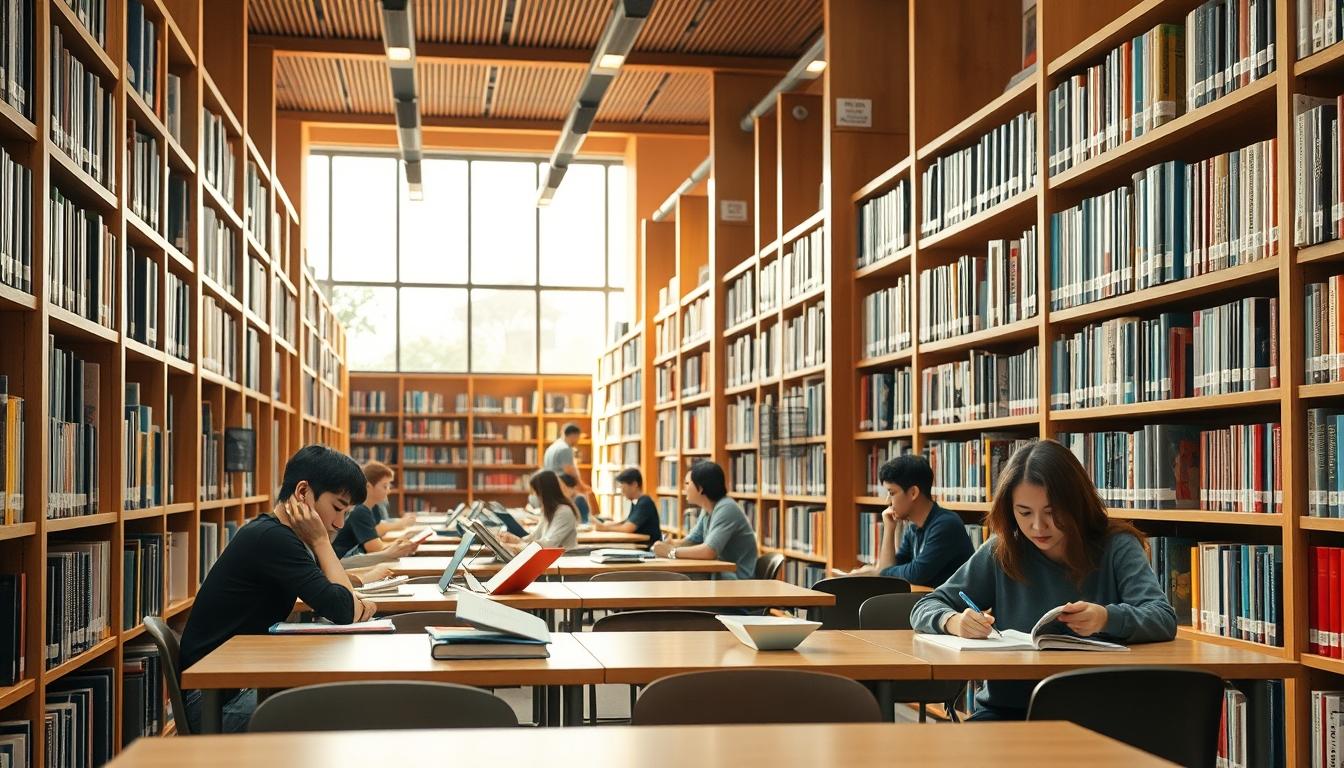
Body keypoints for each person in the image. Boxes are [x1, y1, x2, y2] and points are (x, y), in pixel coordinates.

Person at [910, 439, 1178, 720]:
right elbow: (925, 606)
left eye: (1052, 512)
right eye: (1024, 512)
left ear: (1076, 503)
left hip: (1097, 712)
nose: (1038, 526)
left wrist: (1106, 618)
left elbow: (1162, 617)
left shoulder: (1117, 546)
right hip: (1008, 711)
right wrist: (953, 621)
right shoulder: (1002, 550)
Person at [179, 445, 379, 733]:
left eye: (346, 513)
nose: (339, 523)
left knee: (342, 699)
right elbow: (345, 609)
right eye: (337, 508)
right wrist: (321, 541)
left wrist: (349, 600)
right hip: (214, 704)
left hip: (235, 686)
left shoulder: (278, 534)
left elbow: (341, 599)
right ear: (302, 492)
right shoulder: (273, 539)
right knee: (344, 709)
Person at [843, 455, 974, 587]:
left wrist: (879, 571)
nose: (888, 501)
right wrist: (889, 529)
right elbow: (891, 570)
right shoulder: (913, 528)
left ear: (913, 493)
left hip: (954, 601)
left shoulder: (946, 525)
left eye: (892, 493)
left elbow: (916, 574)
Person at [651, 461, 757, 580]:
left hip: (737, 577)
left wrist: (671, 552)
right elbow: (693, 540)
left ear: (700, 488)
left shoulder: (727, 508)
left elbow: (709, 551)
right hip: (718, 572)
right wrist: (671, 543)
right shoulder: (707, 509)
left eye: (687, 483)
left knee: (672, 577)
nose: (684, 488)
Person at [331, 461, 421, 558]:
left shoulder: (370, 508)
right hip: (343, 562)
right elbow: (376, 549)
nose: (389, 491)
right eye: (385, 486)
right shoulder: (359, 510)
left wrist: (403, 540)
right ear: (368, 486)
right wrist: (402, 543)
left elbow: (377, 540)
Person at [499, 470, 578, 552]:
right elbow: (535, 536)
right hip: (550, 556)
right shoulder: (549, 511)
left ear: (544, 493)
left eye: (534, 492)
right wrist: (516, 540)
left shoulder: (564, 512)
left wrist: (516, 546)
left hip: (564, 557)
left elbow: (549, 543)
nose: (533, 496)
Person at [593, 467, 663, 546]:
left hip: (647, 547)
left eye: (623, 486)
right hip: (638, 545)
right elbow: (628, 522)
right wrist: (610, 524)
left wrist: (604, 528)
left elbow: (628, 528)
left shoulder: (645, 503)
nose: (621, 490)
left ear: (634, 484)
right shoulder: (635, 502)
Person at [543, 423, 590, 497]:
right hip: (561, 485)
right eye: (578, 438)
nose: (578, 441)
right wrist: (581, 485)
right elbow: (569, 470)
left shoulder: (551, 447)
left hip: (549, 485)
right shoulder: (565, 448)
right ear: (573, 436)